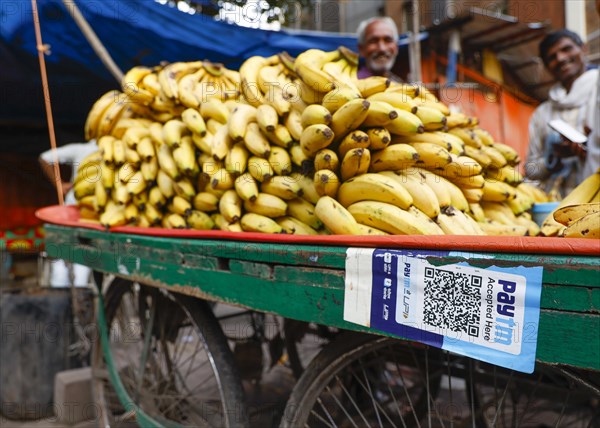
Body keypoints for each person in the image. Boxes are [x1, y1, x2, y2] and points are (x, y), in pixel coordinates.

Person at [525, 29, 599, 199]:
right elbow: (529, 169)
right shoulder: (542, 114)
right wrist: (553, 160)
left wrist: (591, 148)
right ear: (547, 67)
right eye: (552, 57)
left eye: (566, 49)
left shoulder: (597, 94)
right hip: (555, 209)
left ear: (584, 49)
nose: (560, 58)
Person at [39, 140, 98, 287]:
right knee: (81, 261)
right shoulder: (83, 149)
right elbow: (45, 158)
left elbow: (44, 157)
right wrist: (59, 184)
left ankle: (62, 298)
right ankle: (76, 294)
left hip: (82, 215)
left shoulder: (81, 148)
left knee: (63, 262)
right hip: (84, 215)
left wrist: (58, 184)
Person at [356, 17, 401, 81]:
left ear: (396, 47)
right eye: (373, 41)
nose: (382, 48)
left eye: (388, 40)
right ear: (361, 49)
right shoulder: (350, 87)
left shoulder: (399, 84)